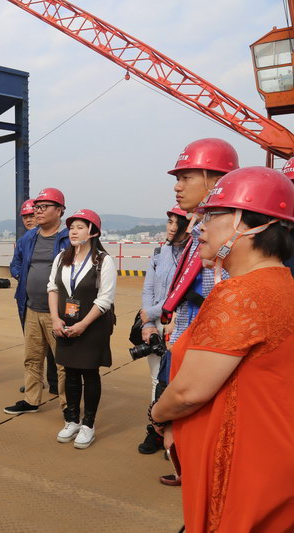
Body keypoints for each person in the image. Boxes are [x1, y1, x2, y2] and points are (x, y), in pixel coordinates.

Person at [150, 167, 294, 532]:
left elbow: (188, 392)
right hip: (273, 458)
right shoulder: (284, 283)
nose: (199, 227)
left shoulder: (241, 294)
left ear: (246, 225)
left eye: (212, 216)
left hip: (241, 467)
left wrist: (158, 414)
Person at [155, 138, 239, 486]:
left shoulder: (228, 237)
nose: (177, 186)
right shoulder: (198, 230)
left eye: (186, 177)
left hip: (205, 362)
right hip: (184, 350)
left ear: (217, 180)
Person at [48, 209, 116, 449]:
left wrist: (83, 324)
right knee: (70, 372)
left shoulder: (103, 261)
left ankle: (88, 424)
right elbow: (52, 288)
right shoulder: (61, 258)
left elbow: (105, 299)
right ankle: (72, 420)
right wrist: (55, 319)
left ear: (93, 232)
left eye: (79, 227)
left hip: (92, 326)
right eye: (71, 227)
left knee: (89, 372)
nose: (73, 232)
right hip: (65, 323)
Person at [5, 188, 69, 414]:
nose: (38, 212)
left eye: (44, 207)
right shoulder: (29, 237)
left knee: (63, 363)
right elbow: (15, 262)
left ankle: (68, 406)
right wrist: (22, 277)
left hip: (58, 312)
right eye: (36, 207)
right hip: (30, 307)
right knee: (32, 358)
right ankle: (31, 400)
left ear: (59, 210)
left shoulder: (69, 238)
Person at [135, 205, 189, 454]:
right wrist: (147, 324)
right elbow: (148, 289)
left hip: (181, 324)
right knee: (157, 380)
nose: (171, 227)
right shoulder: (159, 252)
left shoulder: (195, 255)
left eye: (177, 223)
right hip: (156, 326)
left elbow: (181, 293)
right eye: (169, 221)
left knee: (179, 382)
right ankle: (156, 429)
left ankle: (178, 435)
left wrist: (152, 313)